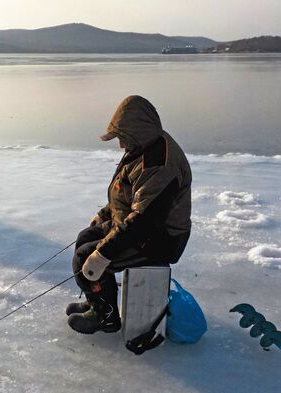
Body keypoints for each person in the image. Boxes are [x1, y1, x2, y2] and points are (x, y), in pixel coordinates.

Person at [67, 95, 192, 334]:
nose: (121, 145)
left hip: (160, 238)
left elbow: (144, 222)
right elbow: (125, 194)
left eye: (123, 138)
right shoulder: (144, 145)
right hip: (135, 225)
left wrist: (103, 254)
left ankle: (106, 318)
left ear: (137, 132)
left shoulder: (159, 165)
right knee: (85, 237)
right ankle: (99, 301)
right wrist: (104, 215)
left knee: (87, 257)